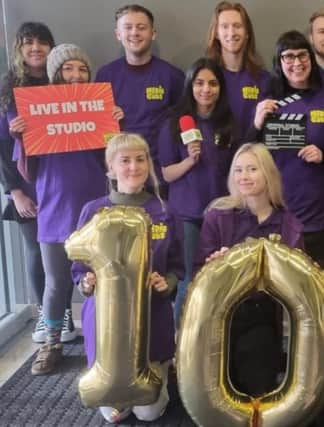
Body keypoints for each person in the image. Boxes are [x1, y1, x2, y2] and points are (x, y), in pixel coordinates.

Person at [9, 44, 124, 375]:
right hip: (54, 210)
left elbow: (114, 163)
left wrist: (116, 124)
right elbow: (28, 173)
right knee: (56, 283)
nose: (75, 75)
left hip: (94, 211)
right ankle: (51, 343)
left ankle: (106, 342)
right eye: (68, 69)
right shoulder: (37, 113)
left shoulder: (99, 109)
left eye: (82, 69)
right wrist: (21, 138)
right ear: (55, 73)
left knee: (101, 280)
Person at [73, 133, 183, 423]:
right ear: (110, 168)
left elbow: (177, 266)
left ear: (148, 164)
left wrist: (166, 283)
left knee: (148, 412)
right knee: (113, 414)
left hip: (152, 317)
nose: (134, 167)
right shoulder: (93, 211)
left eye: (140, 159)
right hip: (106, 323)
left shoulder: (164, 211)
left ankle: (161, 375)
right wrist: (86, 282)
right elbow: (78, 267)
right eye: (125, 161)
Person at [194, 142, 303, 395]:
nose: (244, 176)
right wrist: (215, 267)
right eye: (239, 170)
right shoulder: (217, 215)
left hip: (262, 314)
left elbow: (296, 281)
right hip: (219, 314)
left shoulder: (288, 222)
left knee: (256, 382)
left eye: (252, 169)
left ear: (268, 174)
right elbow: (199, 271)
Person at [0, 22, 76, 344]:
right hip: (27, 183)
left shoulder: (62, 83)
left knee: (65, 251)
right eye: (28, 42)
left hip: (61, 179)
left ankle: (63, 312)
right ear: (19, 48)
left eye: (42, 43)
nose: (35, 48)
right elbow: (3, 147)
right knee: (36, 250)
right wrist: (15, 190)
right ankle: (46, 315)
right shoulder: (7, 89)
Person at [253, 30, 324, 273]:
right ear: (279, 62)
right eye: (288, 57)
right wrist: (255, 124)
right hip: (280, 213)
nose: (297, 63)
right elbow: (249, 158)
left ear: (311, 58)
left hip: (323, 216)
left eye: (302, 55)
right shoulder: (269, 104)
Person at [158, 57, 237, 327]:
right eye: (200, 83)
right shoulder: (173, 123)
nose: (206, 89)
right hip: (187, 214)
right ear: (190, 85)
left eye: (213, 84)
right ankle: (180, 345)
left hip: (221, 213)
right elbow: (166, 174)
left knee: (221, 278)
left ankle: (212, 337)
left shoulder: (227, 122)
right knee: (189, 279)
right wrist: (189, 161)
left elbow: (233, 168)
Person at [95, 4, 184, 192]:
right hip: (120, 178)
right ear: (118, 34)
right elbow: (96, 129)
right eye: (128, 27)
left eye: (141, 27)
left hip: (161, 178)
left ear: (153, 33)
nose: (134, 32)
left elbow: (183, 123)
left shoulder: (172, 76)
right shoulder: (105, 76)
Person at [205, 1, 270, 141]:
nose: (231, 32)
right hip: (214, 159)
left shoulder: (264, 79)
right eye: (224, 26)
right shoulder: (205, 79)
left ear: (247, 33)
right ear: (216, 33)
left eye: (237, 26)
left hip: (253, 159)